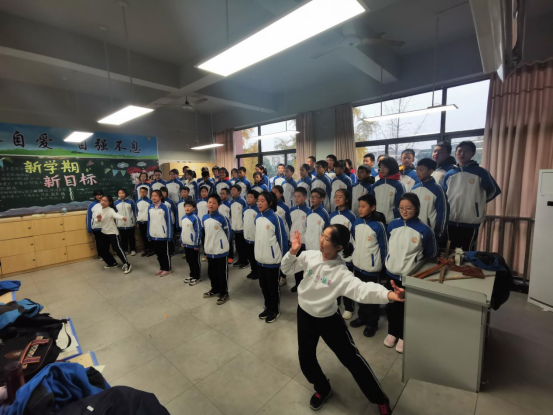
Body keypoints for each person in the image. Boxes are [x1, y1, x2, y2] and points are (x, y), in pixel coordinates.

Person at [281, 226, 403, 414]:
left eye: (326, 238)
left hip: (328, 320)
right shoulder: (309, 256)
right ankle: (322, 388)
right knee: (305, 358)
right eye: (322, 235)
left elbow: (362, 289)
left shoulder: (341, 273)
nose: (321, 240)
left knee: (352, 360)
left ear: (338, 247)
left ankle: (380, 398)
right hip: (305, 314)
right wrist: (292, 252)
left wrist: (389, 295)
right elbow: (286, 268)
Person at [386, 193, 437, 353]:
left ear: (416, 208)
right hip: (391, 274)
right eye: (401, 208)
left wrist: (415, 264)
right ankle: (392, 332)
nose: (404, 211)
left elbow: (431, 252)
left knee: (406, 309)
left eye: (408, 208)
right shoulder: (392, 225)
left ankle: (403, 336)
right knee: (392, 306)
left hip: (409, 277)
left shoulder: (424, 230)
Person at [443, 141, 501, 251]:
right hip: (450, 219)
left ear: (473, 153)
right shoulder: (449, 174)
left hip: (470, 220)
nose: (462, 154)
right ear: (455, 153)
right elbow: (444, 194)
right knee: (450, 250)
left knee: (467, 250)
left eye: (466, 151)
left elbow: (494, 190)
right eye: (460, 151)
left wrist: (479, 202)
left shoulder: (481, 172)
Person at [350, 194, 388, 337]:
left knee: (371, 296)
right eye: (359, 206)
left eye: (363, 206)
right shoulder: (356, 223)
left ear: (373, 207)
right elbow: (355, 240)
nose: (360, 209)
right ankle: (362, 317)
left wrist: (383, 266)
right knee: (360, 294)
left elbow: (384, 248)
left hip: (371, 269)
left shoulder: (378, 226)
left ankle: (372, 323)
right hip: (358, 265)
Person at [255, 191, 289, 323]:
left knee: (273, 287)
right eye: (258, 200)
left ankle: (275, 309)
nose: (259, 203)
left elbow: (282, 240)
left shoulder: (275, 218)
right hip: (260, 258)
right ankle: (267, 306)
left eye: (262, 201)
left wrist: (283, 259)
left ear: (269, 203)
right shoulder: (257, 217)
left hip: (272, 260)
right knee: (263, 285)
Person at [329, 189, 357, 320]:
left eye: (340, 197)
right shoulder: (331, 215)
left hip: (347, 254)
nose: (337, 199)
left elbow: (354, 237)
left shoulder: (351, 216)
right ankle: (336, 302)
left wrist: (349, 251)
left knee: (346, 281)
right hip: (334, 253)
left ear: (347, 199)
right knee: (334, 280)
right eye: (336, 196)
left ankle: (349, 307)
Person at [202, 193, 233, 305]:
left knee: (222, 273)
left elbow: (229, 234)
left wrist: (224, 246)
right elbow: (205, 234)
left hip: (221, 251)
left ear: (218, 205)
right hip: (210, 251)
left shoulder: (222, 218)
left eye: (214, 203)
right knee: (212, 272)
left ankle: (224, 293)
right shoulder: (204, 218)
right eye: (209, 202)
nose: (211, 205)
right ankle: (214, 289)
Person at [411, 158, 449, 240]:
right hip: (414, 230)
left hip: (430, 231)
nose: (418, 172)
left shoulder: (438, 189)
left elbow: (443, 212)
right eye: (417, 169)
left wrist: (439, 233)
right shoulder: (414, 188)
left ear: (430, 171)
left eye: (421, 170)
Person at [96, 195, 132, 274]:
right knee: (102, 249)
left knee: (117, 249)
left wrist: (122, 217)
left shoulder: (110, 210)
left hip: (112, 232)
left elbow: (115, 215)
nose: (103, 202)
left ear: (109, 202)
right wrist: (98, 219)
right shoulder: (99, 209)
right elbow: (96, 220)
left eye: (105, 201)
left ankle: (127, 264)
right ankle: (112, 263)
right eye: (102, 200)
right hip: (104, 232)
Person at [289, 187, 311, 292]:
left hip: (304, 243)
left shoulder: (308, 211)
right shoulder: (291, 210)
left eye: (299, 196)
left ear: (305, 197)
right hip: (294, 243)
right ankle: (297, 284)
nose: (296, 199)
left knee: (305, 266)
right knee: (296, 265)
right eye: (295, 197)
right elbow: (290, 224)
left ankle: (305, 285)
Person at [371, 157, 405, 224]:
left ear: (392, 168)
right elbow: (371, 203)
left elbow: (400, 205)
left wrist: (397, 219)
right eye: (380, 167)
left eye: (384, 167)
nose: (382, 169)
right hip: (377, 220)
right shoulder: (375, 185)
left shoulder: (398, 185)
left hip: (392, 221)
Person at [147, 191, 173, 277]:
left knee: (165, 253)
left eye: (156, 196)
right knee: (158, 253)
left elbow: (169, 222)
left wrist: (169, 235)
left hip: (163, 235)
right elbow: (149, 222)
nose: (153, 197)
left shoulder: (165, 208)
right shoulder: (150, 207)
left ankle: (168, 268)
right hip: (154, 235)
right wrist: (148, 234)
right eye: (152, 196)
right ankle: (162, 267)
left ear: (160, 197)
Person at [272, 185, 292, 287]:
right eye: (272, 192)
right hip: (273, 237)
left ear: (281, 194)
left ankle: (283, 276)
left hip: (283, 237)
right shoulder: (270, 206)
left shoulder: (285, 207)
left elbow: (289, 223)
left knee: (283, 257)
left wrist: (289, 237)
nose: (273, 194)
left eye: (275, 193)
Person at [181, 200, 202, 285]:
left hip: (193, 245)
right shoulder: (183, 218)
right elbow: (183, 231)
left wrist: (196, 244)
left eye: (189, 206)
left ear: (194, 208)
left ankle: (197, 277)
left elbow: (198, 232)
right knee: (189, 260)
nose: (187, 208)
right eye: (186, 206)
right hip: (186, 243)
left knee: (195, 261)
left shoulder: (195, 218)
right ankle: (192, 275)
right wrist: (182, 241)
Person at [229, 185, 248, 268]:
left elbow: (245, 214)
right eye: (231, 190)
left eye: (234, 190)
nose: (232, 191)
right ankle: (240, 260)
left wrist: (244, 225)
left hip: (242, 228)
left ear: (239, 191)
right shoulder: (231, 202)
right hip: (235, 228)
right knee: (238, 246)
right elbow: (231, 214)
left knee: (242, 246)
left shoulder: (242, 201)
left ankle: (245, 261)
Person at [114, 189, 137, 256]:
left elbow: (135, 211)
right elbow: (114, 213)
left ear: (125, 193)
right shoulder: (115, 203)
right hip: (121, 224)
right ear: (118, 194)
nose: (121, 194)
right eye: (119, 193)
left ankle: (133, 249)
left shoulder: (131, 201)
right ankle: (125, 250)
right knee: (123, 238)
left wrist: (135, 221)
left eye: (123, 193)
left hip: (130, 223)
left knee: (131, 237)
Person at [243, 189, 260, 280]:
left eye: (251, 197)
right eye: (247, 197)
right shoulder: (245, 209)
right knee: (250, 256)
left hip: (255, 238)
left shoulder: (258, 210)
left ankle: (257, 272)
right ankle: (253, 270)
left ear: (256, 199)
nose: (248, 199)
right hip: (247, 237)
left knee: (255, 256)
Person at [135, 187, 154, 257]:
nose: (142, 193)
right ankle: (146, 249)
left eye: (144, 192)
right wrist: (138, 219)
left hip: (148, 222)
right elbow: (136, 211)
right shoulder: (137, 201)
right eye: (141, 192)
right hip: (140, 222)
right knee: (143, 237)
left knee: (149, 237)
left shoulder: (150, 201)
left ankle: (151, 249)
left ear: (147, 193)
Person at [86, 189, 104, 257]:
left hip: (105, 226)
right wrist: (89, 228)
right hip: (96, 227)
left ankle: (106, 255)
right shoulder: (91, 205)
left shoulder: (105, 203)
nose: (99, 196)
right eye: (97, 195)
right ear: (95, 196)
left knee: (105, 242)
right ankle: (100, 255)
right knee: (99, 242)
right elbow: (89, 217)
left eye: (100, 195)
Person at [161, 187, 177, 256]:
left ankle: (172, 250)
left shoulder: (170, 201)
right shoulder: (159, 202)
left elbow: (174, 211)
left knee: (171, 236)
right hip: (162, 222)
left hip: (170, 222)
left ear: (167, 193)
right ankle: (166, 250)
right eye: (161, 192)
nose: (163, 193)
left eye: (164, 192)